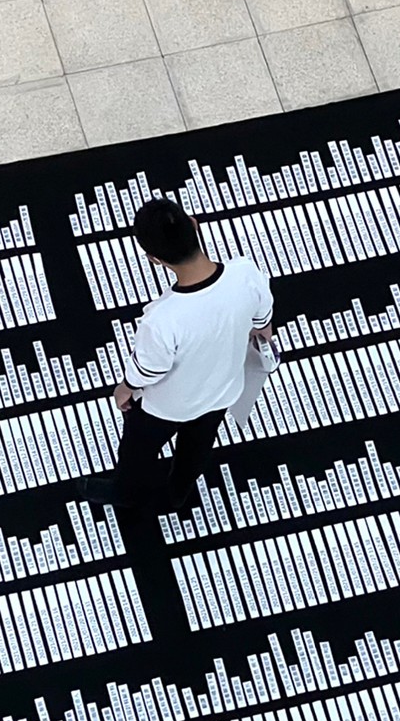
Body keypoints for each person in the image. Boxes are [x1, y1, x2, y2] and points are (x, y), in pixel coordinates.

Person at [81, 197, 274, 514]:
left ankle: (126, 491)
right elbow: (263, 324)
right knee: (196, 449)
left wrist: (124, 390)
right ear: (194, 225)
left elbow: (148, 371)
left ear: (154, 259)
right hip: (223, 391)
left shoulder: (161, 319)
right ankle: (177, 494)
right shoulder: (245, 273)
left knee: (137, 449)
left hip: (167, 406)